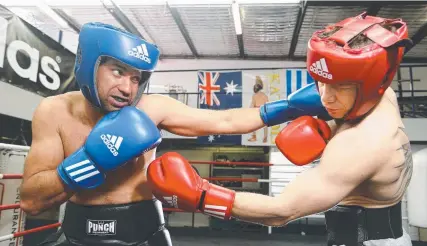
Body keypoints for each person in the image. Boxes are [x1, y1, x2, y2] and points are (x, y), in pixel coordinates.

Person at [19, 22, 329, 245]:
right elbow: (32, 202)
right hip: (76, 232)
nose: (128, 88)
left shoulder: (153, 108)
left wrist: (288, 107)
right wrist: (90, 160)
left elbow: (226, 122)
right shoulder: (53, 111)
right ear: (90, 65)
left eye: (136, 78)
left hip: (145, 230)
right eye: (117, 72)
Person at [147, 12, 415, 246]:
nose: (325, 97)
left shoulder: (361, 144)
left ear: (371, 82)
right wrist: (299, 112)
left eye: (340, 86)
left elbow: (282, 211)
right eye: (321, 82)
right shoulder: (382, 93)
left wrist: (202, 196)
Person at [248, 76, 269, 143]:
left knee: (254, 124)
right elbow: (267, 103)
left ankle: (254, 136)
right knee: (265, 124)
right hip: (264, 110)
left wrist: (249, 110)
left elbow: (252, 105)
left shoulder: (255, 96)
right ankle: (265, 137)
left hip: (257, 110)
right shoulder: (265, 95)